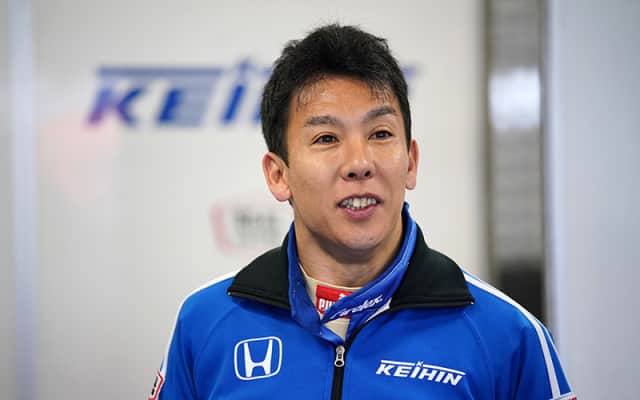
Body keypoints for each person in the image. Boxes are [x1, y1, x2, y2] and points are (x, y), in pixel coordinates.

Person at [149, 24, 575, 400]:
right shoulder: (206, 322)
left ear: (411, 162)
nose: (359, 163)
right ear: (279, 175)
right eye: (326, 138)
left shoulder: (508, 335)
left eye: (380, 133)